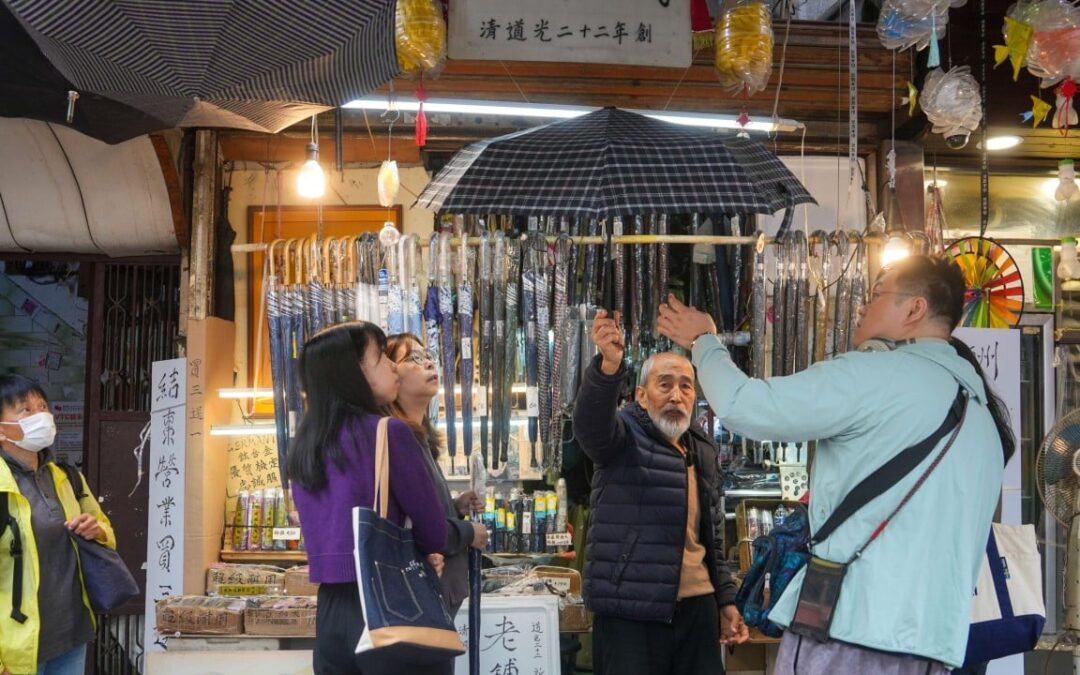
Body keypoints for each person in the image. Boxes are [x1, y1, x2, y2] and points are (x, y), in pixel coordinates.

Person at [657, 254, 1014, 674]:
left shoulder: (876, 375)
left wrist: (704, 342)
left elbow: (744, 406)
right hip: (936, 647)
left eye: (878, 294)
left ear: (915, 309)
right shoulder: (984, 420)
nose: (863, 307)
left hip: (850, 633)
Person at [573, 309, 747, 675]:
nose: (676, 395)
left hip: (698, 608)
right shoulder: (621, 435)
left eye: (685, 385)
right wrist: (608, 366)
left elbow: (712, 536)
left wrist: (725, 600)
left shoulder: (702, 448)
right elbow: (590, 427)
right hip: (631, 612)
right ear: (640, 395)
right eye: (664, 384)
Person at [288, 322, 450, 675]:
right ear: (353, 374)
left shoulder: (303, 446)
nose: (393, 366)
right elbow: (435, 532)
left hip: (330, 615)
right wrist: (425, 553)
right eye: (380, 359)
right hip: (389, 605)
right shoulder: (389, 432)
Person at [0, 374, 116, 675]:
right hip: (16, 648)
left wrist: (96, 530)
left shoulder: (66, 476)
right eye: (25, 410)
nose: (42, 416)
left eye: (43, 406)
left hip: (71, 633)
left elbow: (106, 530)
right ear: (1, 430)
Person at [384, 333, 487, 619]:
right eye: (414, 358)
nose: (428, 362)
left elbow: (419, 513)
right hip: (420, 595)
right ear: (389, 374)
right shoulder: (396, 436)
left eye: (428, 355)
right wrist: (469, 533)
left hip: (437, 592)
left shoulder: (420, 438)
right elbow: (419, 531)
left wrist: (454, 507)